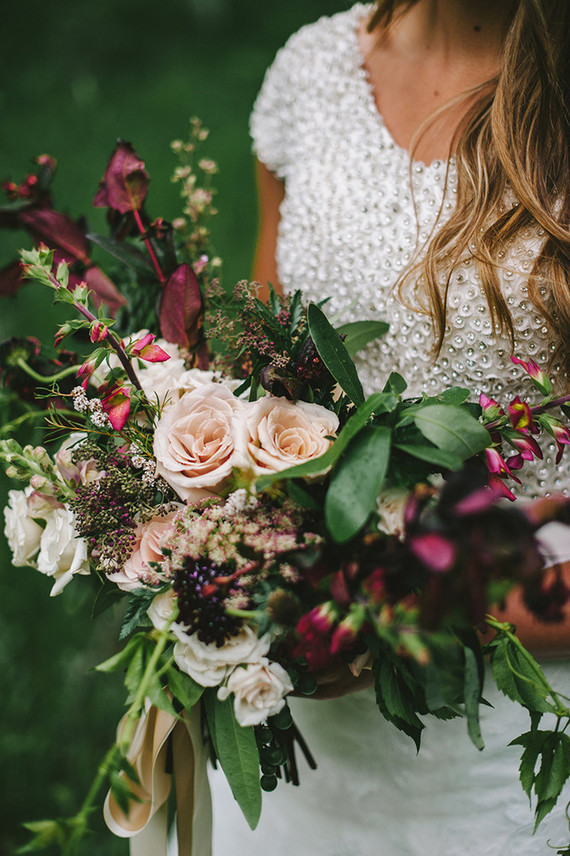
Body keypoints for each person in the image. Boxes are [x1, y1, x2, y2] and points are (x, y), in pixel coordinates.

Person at [208, 2, 570, 853]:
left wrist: (438, 605)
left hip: (509, 717)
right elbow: (261, 373)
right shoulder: (314, 70)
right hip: (301, 713)